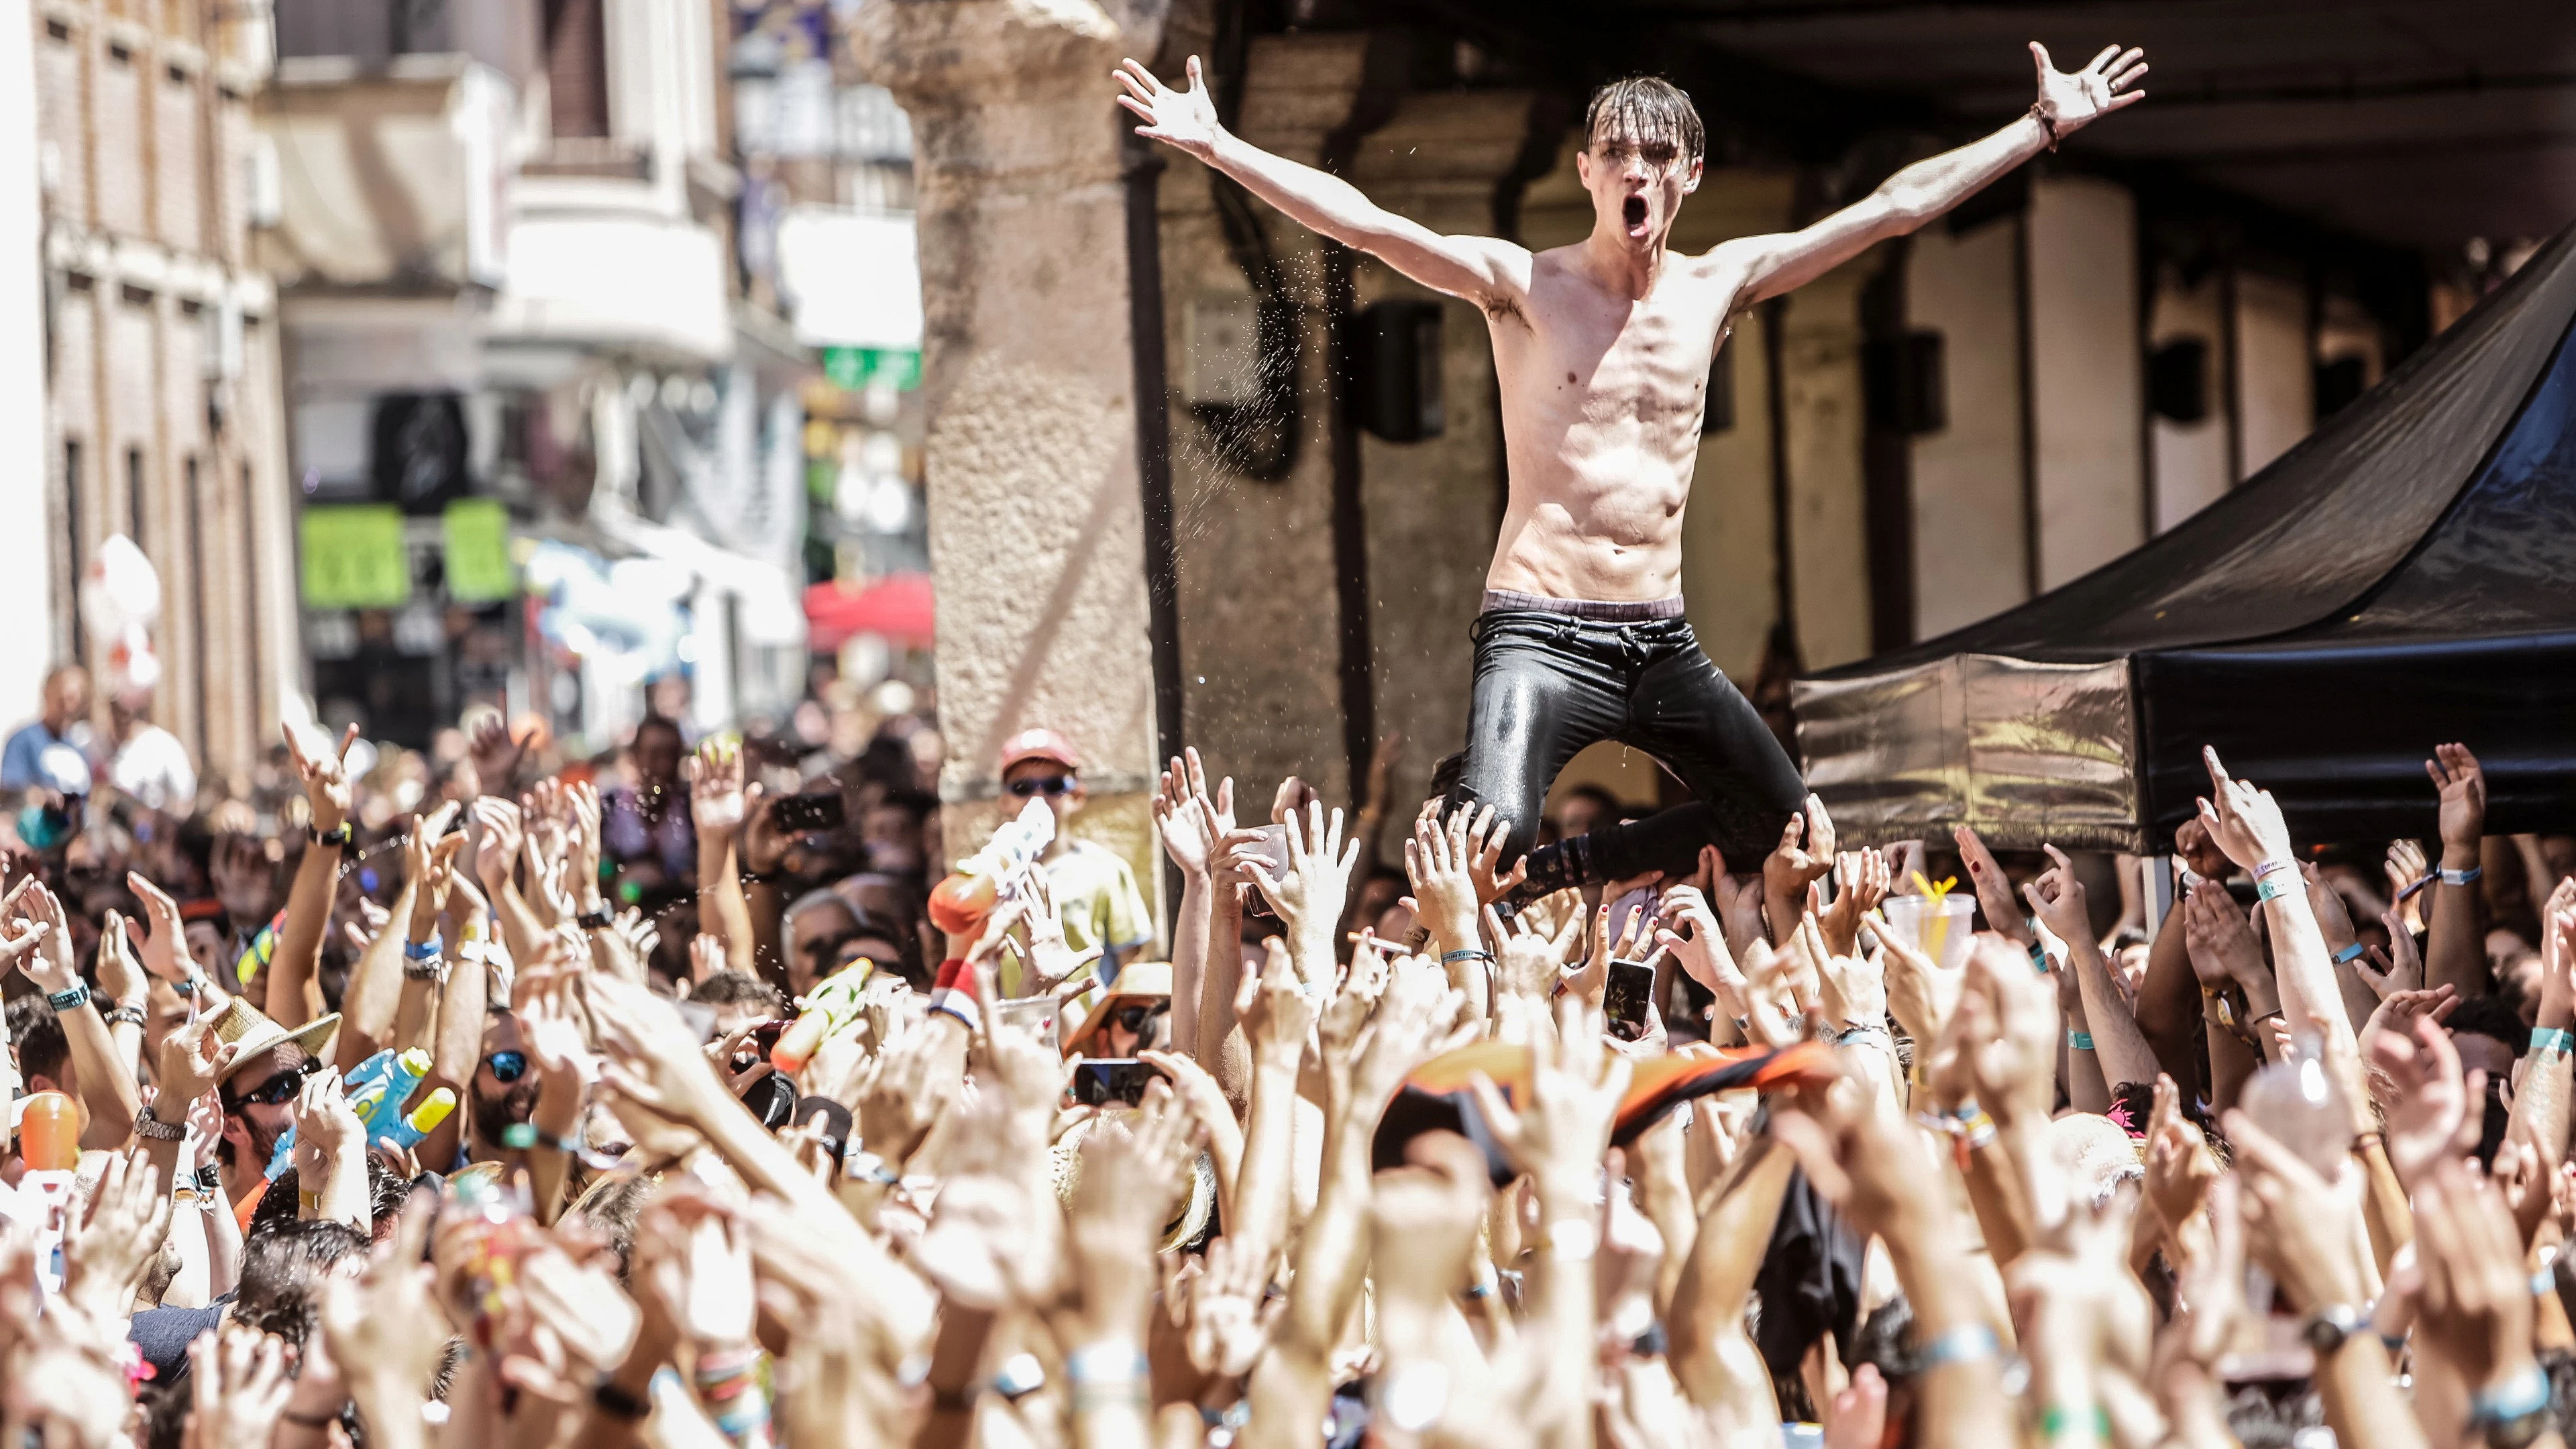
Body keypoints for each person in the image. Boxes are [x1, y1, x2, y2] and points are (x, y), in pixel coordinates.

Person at [1117, 44, 2149, 872]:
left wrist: (2040, 126)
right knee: (1489, 841)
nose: (1635, 173)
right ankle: (1457, 824)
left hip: (1661, 640)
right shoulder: (1520, 284)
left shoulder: (1720, 285)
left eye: (1656, 157)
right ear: (1587, 173)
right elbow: (1370, 224)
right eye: (1616, 154)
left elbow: (1891, 212)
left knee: (1789, 836)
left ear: (1688, 175)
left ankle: (1570, 867)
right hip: (1538, 627)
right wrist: (1217, 147)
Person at [997, 727, 1153, 984]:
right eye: (1023, 787)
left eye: (1053, 785)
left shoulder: (1106, 870)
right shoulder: (991, 875)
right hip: (1016, 1023)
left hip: (1088, 1023)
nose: (1038, 797)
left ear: (1077, 796)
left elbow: (1132, 968)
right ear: (1005, 801)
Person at [0, 663, 93, 792]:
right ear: (47, 694)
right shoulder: (24, 740)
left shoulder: (78, 746)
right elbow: (11, 790)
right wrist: (42, 797)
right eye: (61, 700)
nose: (68, 708)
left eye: (73, 701)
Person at [107, 685, 196, 813]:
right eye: (115, 709)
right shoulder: (103, 746)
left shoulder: (164, 744)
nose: (119, 716)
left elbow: (185, 799)